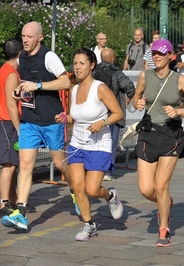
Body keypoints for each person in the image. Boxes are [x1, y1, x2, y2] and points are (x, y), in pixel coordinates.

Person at [1, 21, 76, 231]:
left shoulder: (49, 57)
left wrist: (39, 86)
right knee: (25, 166)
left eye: (30, 36)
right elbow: (23, 81)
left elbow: (65, 82)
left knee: (60, 164)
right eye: (23, 36)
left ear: (40, 37)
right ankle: (21, 214)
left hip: (51, 119)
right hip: (29, 120)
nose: (25, 40)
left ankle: (75, 189)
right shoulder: (21, 58)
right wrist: (19, 90)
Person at [132, 39, 184, 247]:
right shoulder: (146, 76)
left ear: (171, 56)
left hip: (170, 135)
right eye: (154, 53)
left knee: (161, 186)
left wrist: (179, 111)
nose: (156, 57)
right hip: (148, 134)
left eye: (161, 54)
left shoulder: (179, 79)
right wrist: (138, 102)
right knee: (146, 189)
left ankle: (164, 229)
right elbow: (134, 100)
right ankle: (165, 204)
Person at [55, 48, 124, 241]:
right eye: (75, 63)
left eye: (82, 63)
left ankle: (110, 196)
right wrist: (64, 118)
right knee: (78, 187)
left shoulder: (100, 88)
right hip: (77, 144)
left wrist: (102, 123)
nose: (77, 67)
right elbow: (76, 117)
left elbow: (118, 113)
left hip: (98, 145)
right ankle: (89, 225)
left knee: (92, 190)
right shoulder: (74, 89)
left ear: (91, 65)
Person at [92, 48, 135, 181]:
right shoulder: (117, 73)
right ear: (112, 59)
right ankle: (108, 172)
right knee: (111, 142)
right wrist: (127, 101)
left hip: (95, 113)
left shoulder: (93, 72)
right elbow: (130, 88)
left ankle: (94, 170)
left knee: (94, 142)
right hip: (113, 114)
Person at [0, 39, 21, 217]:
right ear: (20, 53)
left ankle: (13, 200)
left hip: (4, 122)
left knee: (13, 163)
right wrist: (19, 127)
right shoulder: (11, 73)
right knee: (9, 164)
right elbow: (11, 104)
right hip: (7, 121)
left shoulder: (3, 70)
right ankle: (4, 203)